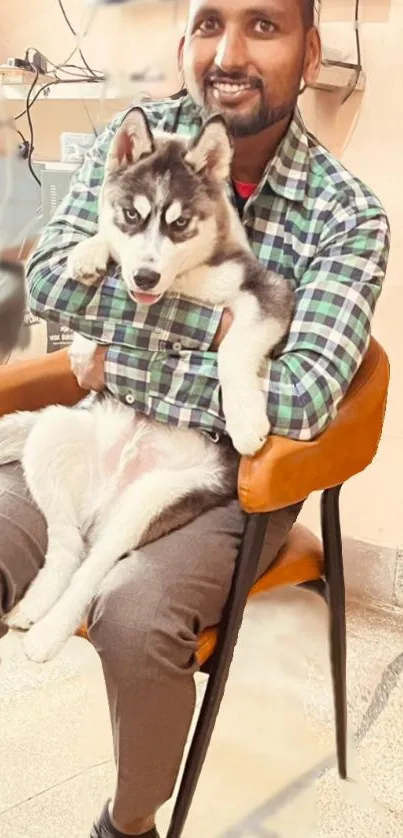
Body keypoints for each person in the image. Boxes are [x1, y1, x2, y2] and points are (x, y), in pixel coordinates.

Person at [0, 1, 390, 836]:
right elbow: (58, 287)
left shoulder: (346, 215)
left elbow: (300, 397)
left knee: (135, 616)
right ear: (183, 41)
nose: (229, 51)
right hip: (106, 425)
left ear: (312, 48)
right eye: (209, 22)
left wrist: (127, 344)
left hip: (231, 466)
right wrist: (196, 341)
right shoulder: (137, 142)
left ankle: (130, 822)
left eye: (263, 24)